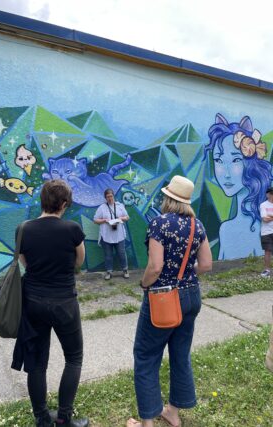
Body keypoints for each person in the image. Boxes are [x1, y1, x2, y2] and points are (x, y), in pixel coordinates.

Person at [127, 175, 212, 427]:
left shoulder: (159, 224)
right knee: (180, 354)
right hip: (191, 297)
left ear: (168, 197)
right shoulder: (198, 225)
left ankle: (147, 423)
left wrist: (144, 284)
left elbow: (155, 267)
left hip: (163, 298)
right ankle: (173, 414)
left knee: (145, 356)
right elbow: (206, 265)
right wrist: (184, 275)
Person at [12, 180, 89, 427]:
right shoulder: (72, 229)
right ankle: (64, 418)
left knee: (36, 361)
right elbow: (79, 262)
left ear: (43, 200)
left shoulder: (23, 228)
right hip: (64, 302)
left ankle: (42, 419)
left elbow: (25, 262)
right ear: (64, 203)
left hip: (32, 302)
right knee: (74, 357)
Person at [205, 113, 272, 259]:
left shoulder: (259, 228)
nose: (226, 173)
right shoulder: (226, 229)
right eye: (219, 160)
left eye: (235, 160)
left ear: (250, 163)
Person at [94, 188, 130, 280]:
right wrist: (104, 220)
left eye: (111, 196)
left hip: (119, 235)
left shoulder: (120, 205)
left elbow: (127, 217)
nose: (110, 198)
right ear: (105, 198)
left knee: (121, 253)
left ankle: (125, 270)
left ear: (114, 196)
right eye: (107, 197)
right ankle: (109, 272)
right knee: (108, 255)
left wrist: (120, 219)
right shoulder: (102, 207)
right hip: (106, 236)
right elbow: (95, 220)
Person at [260, 187, 273, 277]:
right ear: (267, 194)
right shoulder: (263, 205)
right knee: (267, 251)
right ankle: (267, 270)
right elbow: (264, 219)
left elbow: (268, 218)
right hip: (266, 232)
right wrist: (268, 217)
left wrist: (271, 216)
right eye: (271, 194)